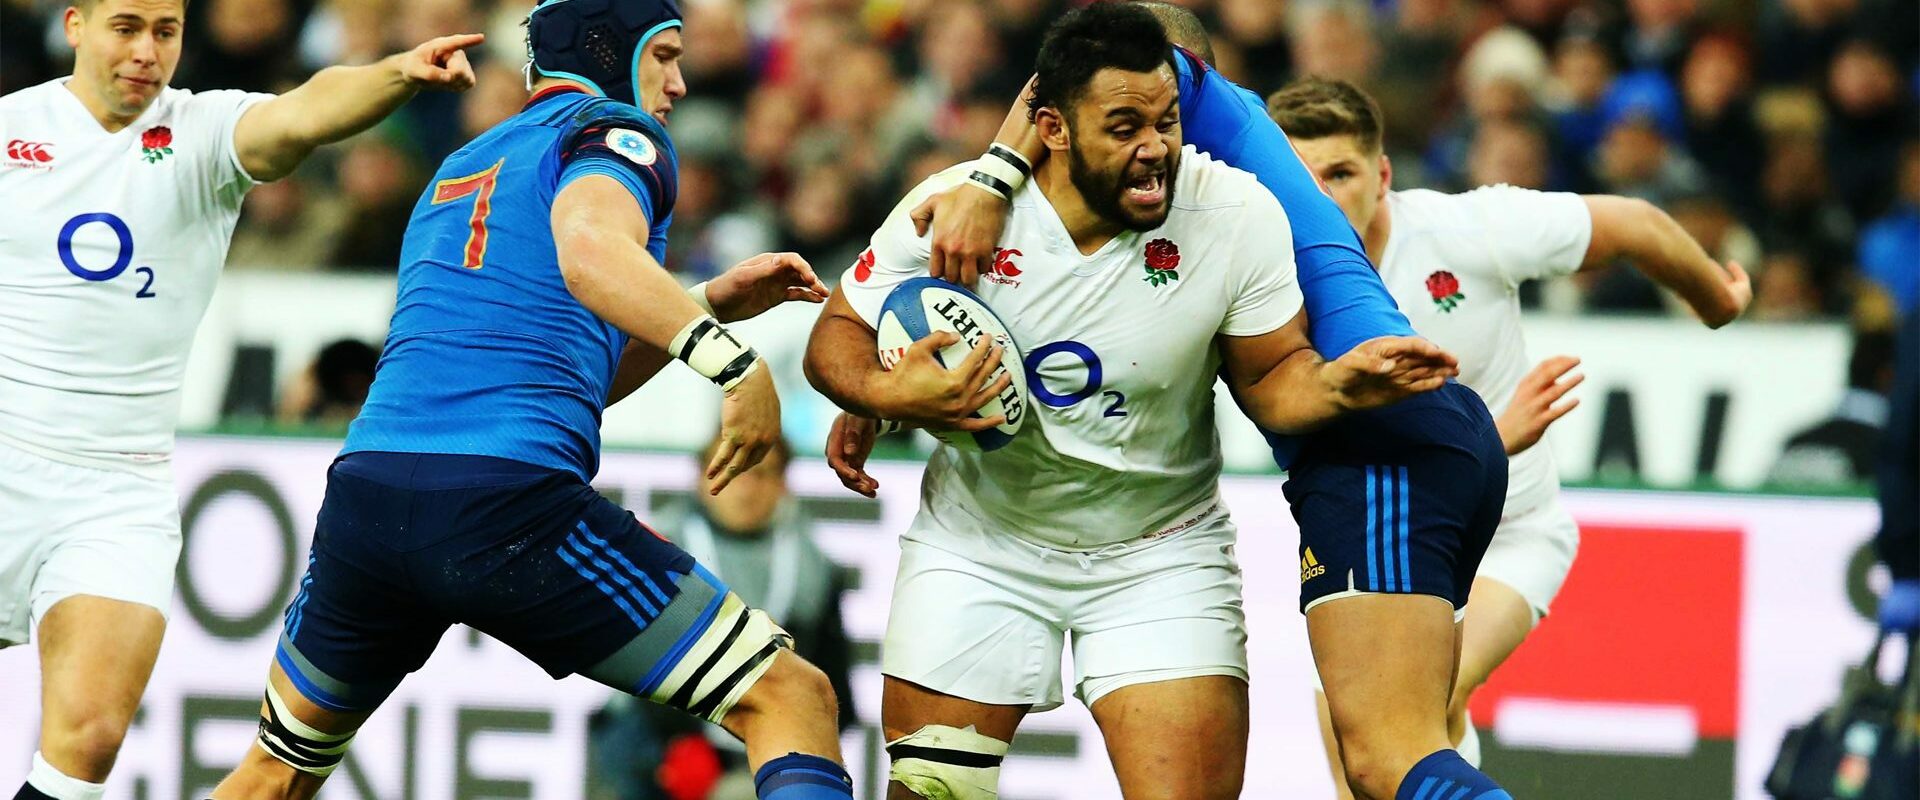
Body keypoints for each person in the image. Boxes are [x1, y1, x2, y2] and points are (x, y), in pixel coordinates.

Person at [204, 2, 858, 799]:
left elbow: (567, 377)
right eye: (666, 56)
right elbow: (589, 248)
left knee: (275, 772)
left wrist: (707, 302)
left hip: (369, 499)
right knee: (791, 696)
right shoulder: (614, 131)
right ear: (614, 52)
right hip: (501, 503)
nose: (679, 84)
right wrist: (734, 365)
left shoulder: (462, 164)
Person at [804, 5, 1458, 799]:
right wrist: (883, 390)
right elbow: (837, 333)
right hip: (979, 545)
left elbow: (1271, 380)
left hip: (1159, 553)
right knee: (932, 792)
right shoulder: (957, 211)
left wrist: (1337, 385)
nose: (1155, 149)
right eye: (1124, 128)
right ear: (1052, 128)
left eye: (1168, 122)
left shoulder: (1234, 214)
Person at [0, 1, 483, 797]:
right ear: (76, 26)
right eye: (127, 27)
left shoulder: (200, 133)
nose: (147, 51)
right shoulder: (12, 130)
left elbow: (303, 113)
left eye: (166, 30)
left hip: (115, 493)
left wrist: (398, 72)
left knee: (89, 739)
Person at [1265, 76, 1751, 797]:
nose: (1324, 199)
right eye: (1303, 181)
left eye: (1341, 174)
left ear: (1384, 175)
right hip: (1372, 541)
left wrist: (1716, 302)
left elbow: (1632, 223)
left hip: (1508, 534)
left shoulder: (1468, 230)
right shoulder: (1265, 280)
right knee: (1361, 761)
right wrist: (1490, 434)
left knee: (1422, 707)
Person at [589, 435, 857, 800]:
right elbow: (631, 669)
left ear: (783, 484)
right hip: (656, 741)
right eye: (731, 471)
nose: (745, 489)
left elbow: (834, 686)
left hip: (763, 743)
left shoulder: (813, 568)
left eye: (759, 473)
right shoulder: (658, 546)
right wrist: (676, 746)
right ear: (701, 477)